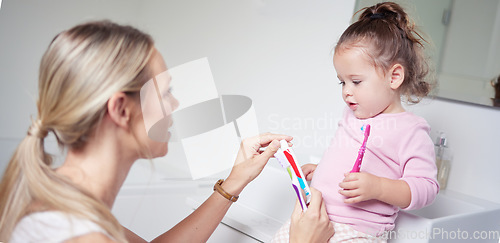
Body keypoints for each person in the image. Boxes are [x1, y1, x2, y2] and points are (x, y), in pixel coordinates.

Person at [0, 21, 334, 242]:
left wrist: (236, 180)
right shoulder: (82, 235)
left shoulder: (57, 195)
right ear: (120, 109)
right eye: (164, 93)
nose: (174, 104)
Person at [272, 2, 439, 242]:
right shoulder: (350, 114)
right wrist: (324, 173)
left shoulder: (410, 130)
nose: (347, 92)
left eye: (356, 82)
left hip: (357, 232)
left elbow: (427, 187)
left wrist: (378, 188)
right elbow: (349, 160)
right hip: (313, 218)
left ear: (394, 77)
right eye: (342, 82)